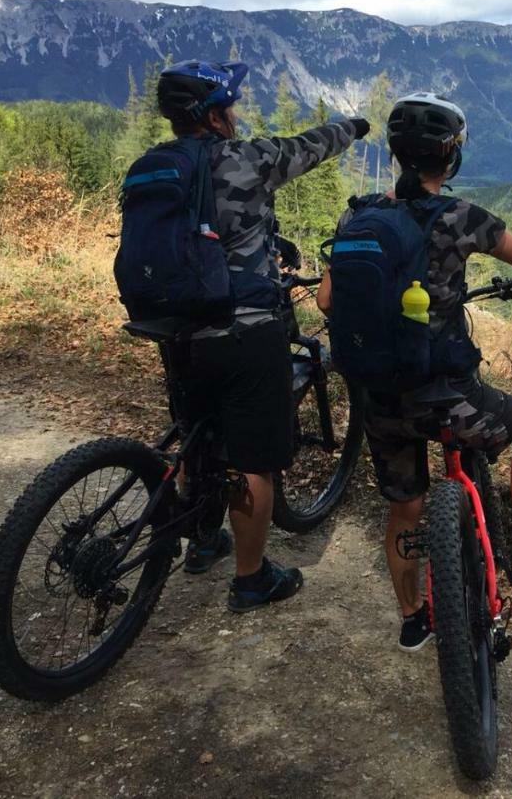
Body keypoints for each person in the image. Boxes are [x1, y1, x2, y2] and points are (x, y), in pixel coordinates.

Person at [316, 92, 512, 651]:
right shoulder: (461, 217)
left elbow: (325, 301)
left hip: (380, 396)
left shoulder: (357, 215)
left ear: (397, 153)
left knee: (405, 505)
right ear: (449, 158)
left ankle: (414, 618)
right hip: (447, 392)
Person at [154, 60, 369, 612]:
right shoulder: (247, 158)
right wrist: (356, 125)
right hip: (245, 328)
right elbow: (311, 144)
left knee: (197, 432)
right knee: (253, 458)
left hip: (172, 326)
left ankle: (203, 541)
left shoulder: (151, 166)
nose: (237, 113)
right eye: (231, 105)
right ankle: (251, 578)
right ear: (217, 114)